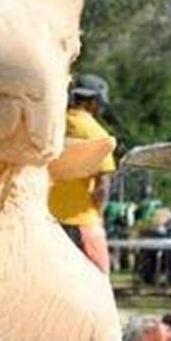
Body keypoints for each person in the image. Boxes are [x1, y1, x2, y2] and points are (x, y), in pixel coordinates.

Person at [49, 74, 116, 273]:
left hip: (48, 222)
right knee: (98, 281)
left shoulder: (52, 128)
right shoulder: (98, 135)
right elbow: (103, 186)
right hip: (83, 221)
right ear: (94, 102)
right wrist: (99, 214)